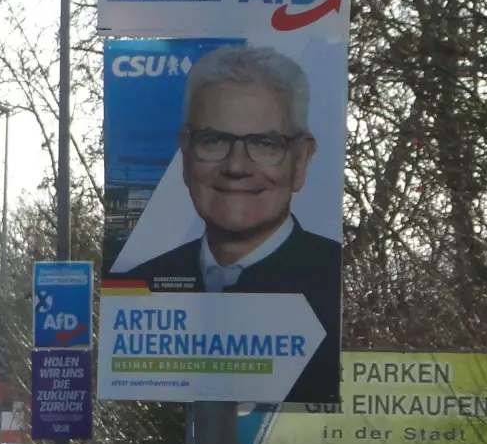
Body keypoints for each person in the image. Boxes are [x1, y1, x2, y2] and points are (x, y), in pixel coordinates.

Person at [125, 44, 341, 403]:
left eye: (265, 143)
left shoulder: (339, 286)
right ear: (185, 153)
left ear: (301, 159)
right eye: (214, 140)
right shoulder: (139, 288)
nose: (237, 166)